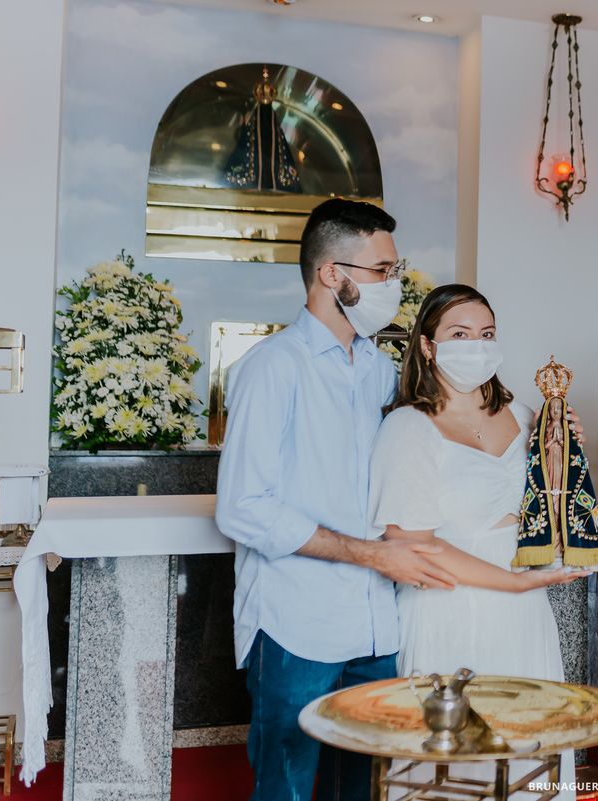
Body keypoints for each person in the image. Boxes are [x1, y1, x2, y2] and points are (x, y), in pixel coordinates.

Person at [216, 199, 458, 801]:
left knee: (364, 790)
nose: (393, 284)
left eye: (394, 271)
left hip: (377, 624)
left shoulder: (382, 371)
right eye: (382, 271)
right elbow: (244, 506)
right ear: (332, 274)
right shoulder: (273, 367)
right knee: (288, 789)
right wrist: (372, 555)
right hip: (297, 620)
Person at [367, 284, 586, 796]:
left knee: (527, 755)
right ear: (428, 346)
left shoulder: (526, 414)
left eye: (486, 334)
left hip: (524, 612)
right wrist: (514, 583)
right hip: (449, 608)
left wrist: (564, 450)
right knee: (456, 769)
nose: (477, 346)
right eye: (460, 334)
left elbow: (550, 509)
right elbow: (410, 543)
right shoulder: (408, 426)